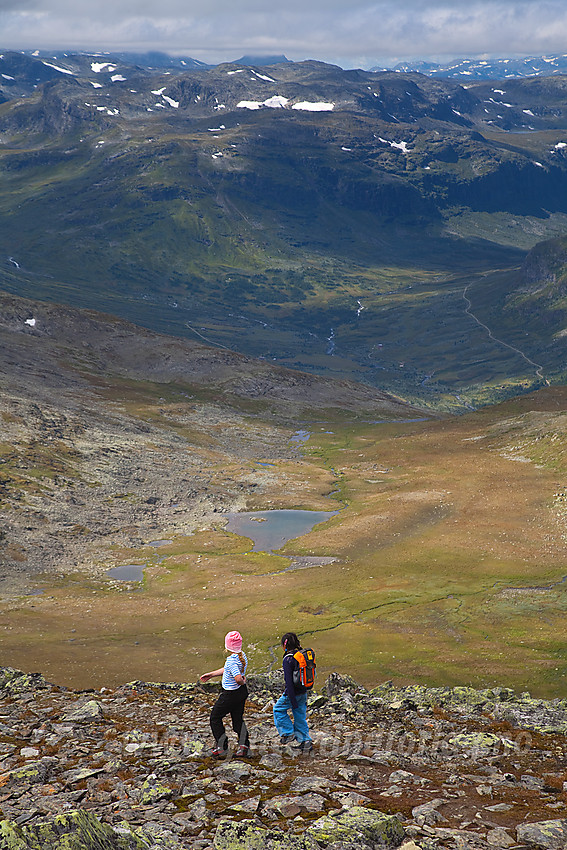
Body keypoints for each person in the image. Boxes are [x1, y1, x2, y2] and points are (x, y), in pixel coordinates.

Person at [199, 630, 250, 757]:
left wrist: (242, 681)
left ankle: (222, 746)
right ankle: (244, 746)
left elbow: (237, 677)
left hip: (230, 694)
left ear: (227, 646)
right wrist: (211, 674)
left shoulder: (231, 660)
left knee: (215, 717)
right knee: (237, 720)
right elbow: (228, 670)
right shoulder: (241, 656)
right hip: (240, 693)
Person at [273, 631, 313, 753]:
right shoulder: (301, 656)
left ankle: (288, 733)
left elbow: (289, 682)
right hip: (303, 691)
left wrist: (291, 698)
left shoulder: (288, 659)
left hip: (293, 693)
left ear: (285, 646)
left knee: (278, 709)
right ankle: (305, 741)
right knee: (300, 716)